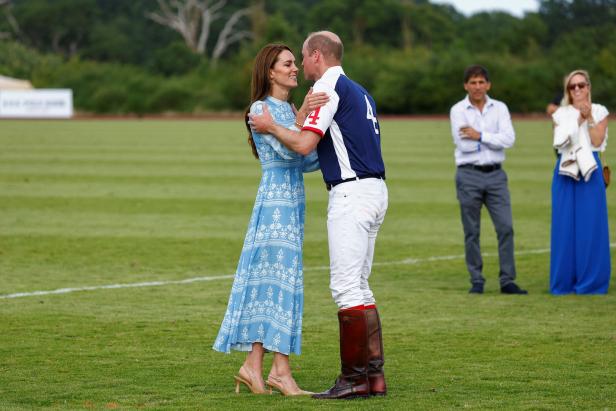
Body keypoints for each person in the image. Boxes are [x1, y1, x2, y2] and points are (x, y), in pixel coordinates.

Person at [250, 31, 388, 399]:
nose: (299, 64)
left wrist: (272, 126)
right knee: (361, 286)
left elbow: (305, 144)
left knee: (345, 289)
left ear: (316, 56)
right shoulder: (361, 90)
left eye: (302, 57)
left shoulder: (329, 87)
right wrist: (298, 115)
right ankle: (374, 377)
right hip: (375, 189)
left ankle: (354, 380)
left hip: (351, 192)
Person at [212, 43, 328, 396]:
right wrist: (297, 124)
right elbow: (285, 151)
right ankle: (276, 372)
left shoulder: (287, 109)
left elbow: (306, 160)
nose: (295, 68)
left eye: (295, 63)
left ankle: (262, 368)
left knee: (279, 285)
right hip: (274, 205)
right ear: (270, 71)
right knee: (275, 284)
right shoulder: (260, 109)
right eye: (288, 63)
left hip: (293, 204)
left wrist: (305, 128)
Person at [449, 65, 528, 295]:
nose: (477, 86)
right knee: (471, 231)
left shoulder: (500, 108)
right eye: (472, 82)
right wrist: (493, 139)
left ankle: (507, 280)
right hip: (468, 175)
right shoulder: (458, 110)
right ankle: (477, 279)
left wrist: (480, 135)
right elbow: (462, 143)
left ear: (488, 84)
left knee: (506, 227)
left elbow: (509, 139)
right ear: (466, 85)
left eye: (481, 82)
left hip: (496, 175)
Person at [550, 69, 610, 294]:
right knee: (564, 227)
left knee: (590, 227)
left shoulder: (600, 110)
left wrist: (589, 118)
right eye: (572, 86)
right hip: (565, 169)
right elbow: (558, 144)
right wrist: (578, 120)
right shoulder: (560, 114)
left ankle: (591, 283)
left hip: (591, 170)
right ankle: (563, 283)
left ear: (588, 87)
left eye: (581, 85)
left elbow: (596, 140)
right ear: (568, 90)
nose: (577, 89)